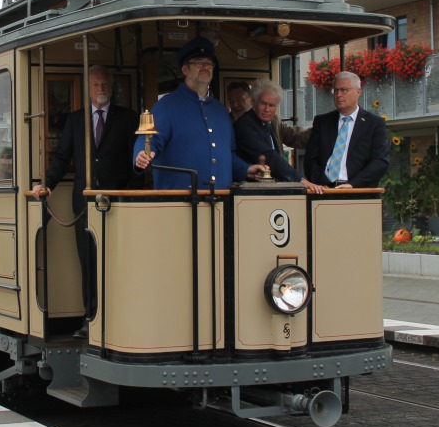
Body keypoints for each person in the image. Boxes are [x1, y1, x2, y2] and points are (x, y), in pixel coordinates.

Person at [36, 65, 139, 336]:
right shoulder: (76, 120)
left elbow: (137, 161)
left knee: (121, 261)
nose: (100, 88)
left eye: (105, 84)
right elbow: (62, 157)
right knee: (89, 262)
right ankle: (90, 318)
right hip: (84, 204)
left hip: (119, 203)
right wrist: (46, 185)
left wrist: (130, 192)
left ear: (112, 87)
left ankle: (121, 318)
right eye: (95, 84)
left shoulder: (128, 118)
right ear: (88, 89)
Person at [134, 36, 268, 189]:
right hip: (180, 200)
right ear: (185, 69)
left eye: (209, 63)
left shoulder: (220, 110)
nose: (205, 66)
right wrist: (141, 154)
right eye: (199, 62)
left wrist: (246, 169)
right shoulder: (166, 106)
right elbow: (149, 140)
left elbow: (228, 155)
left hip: (220, 199)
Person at [303, 71, 389, 189]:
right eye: (335, 90)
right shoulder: (322, 122)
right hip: (324, 190)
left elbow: (380, 161)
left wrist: (353, 184)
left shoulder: (374, 123)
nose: (338, 95)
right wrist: (322, 184)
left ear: (358, 92)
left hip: (357, 190)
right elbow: (310, 159)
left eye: (343, 90)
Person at [234, 79, 320, 189]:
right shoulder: (245, 125)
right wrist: (300, 180)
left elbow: (294, 136)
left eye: (272, 105)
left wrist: (322, 131)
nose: (267, 109)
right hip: (252, 190)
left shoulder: (273, 120)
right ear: (254, 102)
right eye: (263, 103)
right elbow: (269, 156)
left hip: (275, 187)